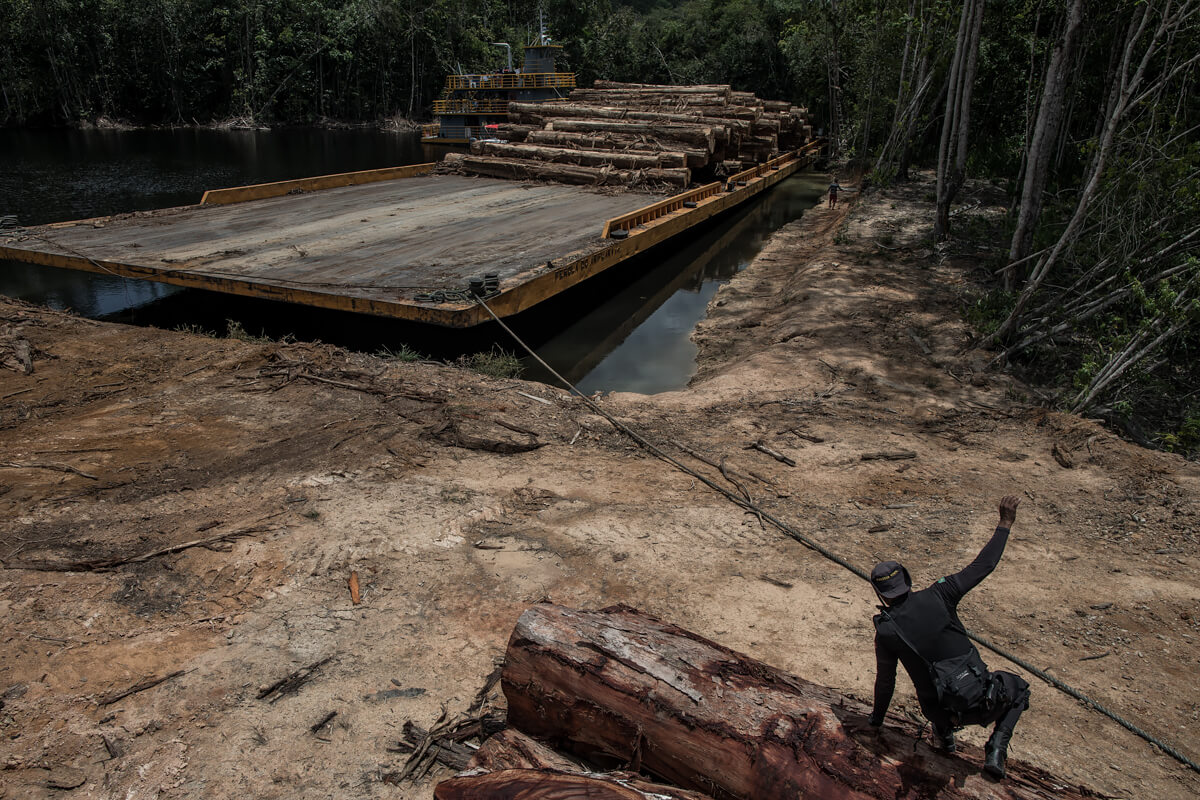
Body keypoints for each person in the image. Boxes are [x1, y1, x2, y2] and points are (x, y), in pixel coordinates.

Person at [867, 495, 1030, 780]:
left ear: (880, 594)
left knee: (931, 691)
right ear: (907, 580)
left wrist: (876, 720)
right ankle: (996, 747)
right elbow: (984, 566)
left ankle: (944, 737)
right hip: (984, 703)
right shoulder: (941, 594)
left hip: (940, 712)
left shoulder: (886, 630)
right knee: (1019, 687)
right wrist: (1004, 523)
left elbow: (885, 682)